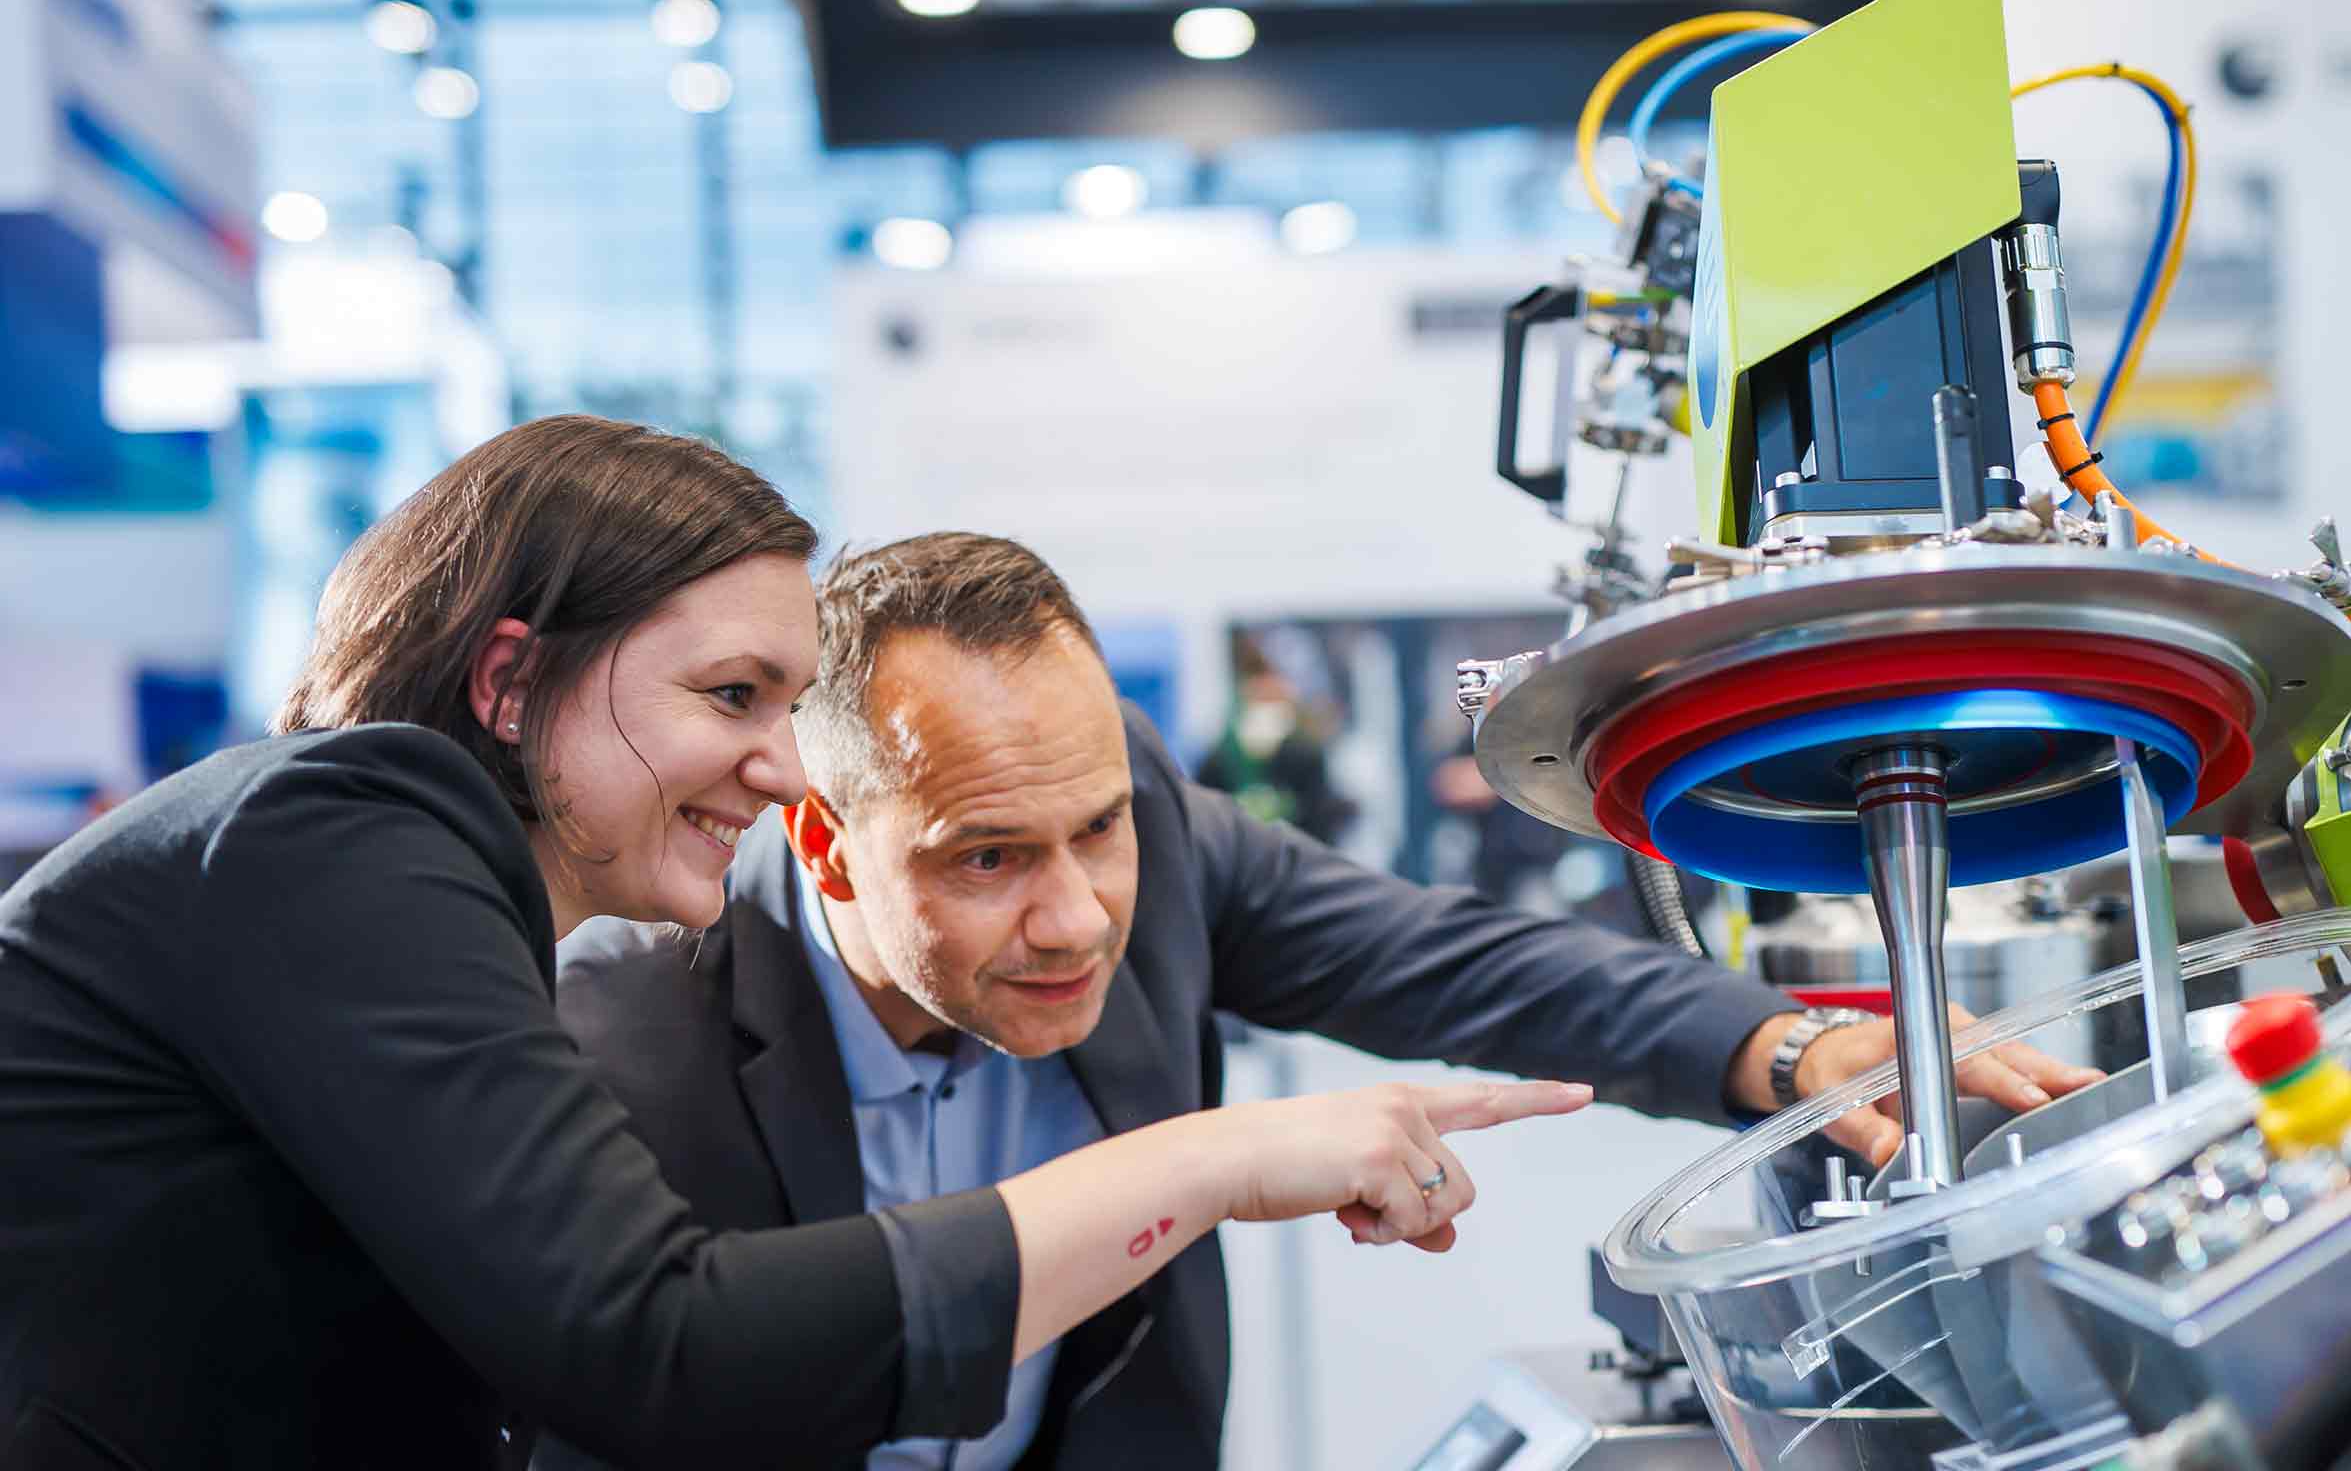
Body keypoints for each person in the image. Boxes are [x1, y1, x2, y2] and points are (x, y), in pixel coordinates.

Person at [0, 418, 1586, 1471]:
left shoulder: (402, 887)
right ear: (510, 683)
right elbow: (668, 1345)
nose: (780, 768)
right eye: (732, 697)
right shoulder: (347, 826)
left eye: (792, 703)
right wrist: (1215, 1164)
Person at [540, 531, 2104, 1471]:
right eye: (989, 857)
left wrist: (1790, 1044)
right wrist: (1217, 1163)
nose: (1075, 917)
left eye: (1098, 828)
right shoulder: (627, 1027)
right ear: (824, 838)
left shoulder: (1154, 835)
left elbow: (1448, 958)